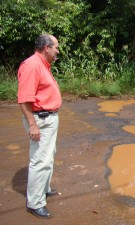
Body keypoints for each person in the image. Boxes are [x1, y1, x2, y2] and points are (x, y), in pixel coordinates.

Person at [17, 34, 62, 219]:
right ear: (46, 48)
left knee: (48, 156)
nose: (58, 51)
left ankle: (44, 189)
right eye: (56, 47)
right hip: (40, 120)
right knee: (39, 160)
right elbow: (24, 99)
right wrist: (32, 125)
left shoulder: (42, 64)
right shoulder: (32, 65)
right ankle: (35, 203)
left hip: (48, 118)